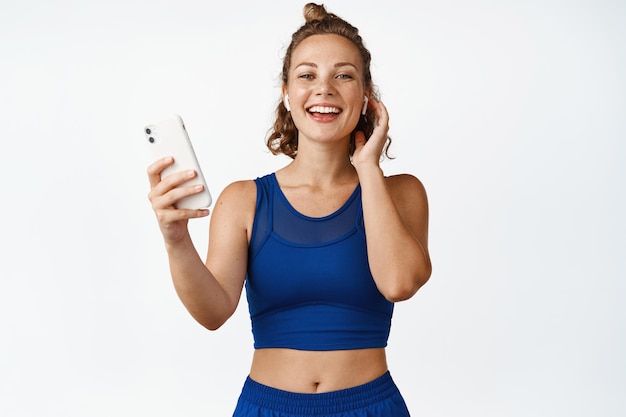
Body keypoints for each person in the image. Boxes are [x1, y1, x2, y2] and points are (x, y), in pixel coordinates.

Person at [147, 3, 431, 416]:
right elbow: (212, 313)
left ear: (367, 96)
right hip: (267, 406)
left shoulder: (401, 193)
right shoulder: (244, 200)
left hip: (370, 405)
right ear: (286, 91)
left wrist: (367, 166)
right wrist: (175, 239)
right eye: (307, 75)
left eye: (344, 75)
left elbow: (398, 284)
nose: (324, 88)